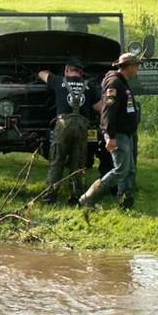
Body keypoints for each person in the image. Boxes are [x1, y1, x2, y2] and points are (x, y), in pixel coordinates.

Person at [79, 52, 141, 210]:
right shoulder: (114, 82)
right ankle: (88, 197)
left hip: (126, 133)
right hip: (118, 134)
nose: (137, 70)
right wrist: (110, 136)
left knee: (129, 170)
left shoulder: (122, 81)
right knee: (120, 170)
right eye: (136, 66)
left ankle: (125, 203)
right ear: (130, 67)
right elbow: (108, 111)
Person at [38, 57, 102, 205]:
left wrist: (53, 74)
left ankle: (49, 199)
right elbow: (99, 107)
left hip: (63, 125)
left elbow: (41, 73)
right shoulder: (89, 85)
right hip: (82, 126)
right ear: (82, 72)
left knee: (56, 162)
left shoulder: (58, 81)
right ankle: (76, 199)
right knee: (78, 164)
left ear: (67, 70)